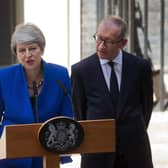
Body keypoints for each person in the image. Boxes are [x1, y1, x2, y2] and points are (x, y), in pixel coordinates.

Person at [71, 15, 153, 168]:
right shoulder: (81, 71)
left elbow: (146, 107)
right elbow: (79, 112)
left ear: (123, 43)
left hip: (135, 151)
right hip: (97, 152)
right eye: (98, 38)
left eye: (108, 41)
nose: (101, 46)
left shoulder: (140, 67)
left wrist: (132, 131)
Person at [0, 23, 73, 168]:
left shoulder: (60, 75)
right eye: (22, 50)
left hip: (48, 149)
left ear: (42, 49)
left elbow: (67, 113)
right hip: (12, 151)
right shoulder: (4, 77)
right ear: (16, 53)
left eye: (33, 48)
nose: (28, 55)